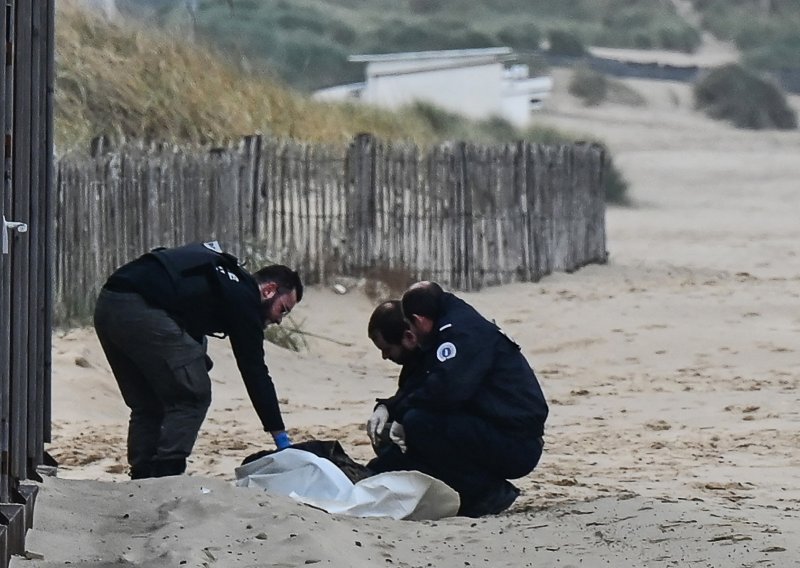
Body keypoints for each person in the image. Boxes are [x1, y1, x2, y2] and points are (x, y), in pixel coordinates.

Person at [93, 240, 303, 479]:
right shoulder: (244, 295)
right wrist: (280, 436)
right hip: (141, 309)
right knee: (193, 394)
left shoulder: (221, 278)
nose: (279, 320)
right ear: (269, 291)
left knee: (149, 402)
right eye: (283, 309)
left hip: (109, 304)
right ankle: (167, 475)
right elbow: (254, 369)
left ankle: (141, 477)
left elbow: (183, 307)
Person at [368, 282, 549, 517]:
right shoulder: (443, 330)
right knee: (405, 426)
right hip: (494, 429)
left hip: (516, 442)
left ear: (417, 323)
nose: (384, 356)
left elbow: (444, 392)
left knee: (419, 422)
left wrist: (401, 415)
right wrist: (387, 408)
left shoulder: (462, 335)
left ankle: (487, 493)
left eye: (387, 349)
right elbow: (418, 390)